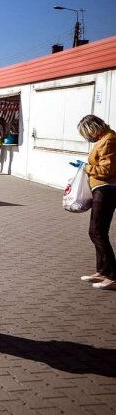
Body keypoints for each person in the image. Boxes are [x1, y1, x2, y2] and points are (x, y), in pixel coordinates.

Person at [76, 115, 116, 290]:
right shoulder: (105, 138)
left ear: (93, 129)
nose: (87, 138)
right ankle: (103, 270)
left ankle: (113, 275)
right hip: (101, 189)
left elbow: (107, 170)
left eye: (87, 134)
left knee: (97, 232)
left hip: (106, 189)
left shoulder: (109, 140)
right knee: (97, 231)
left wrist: (85, 167)